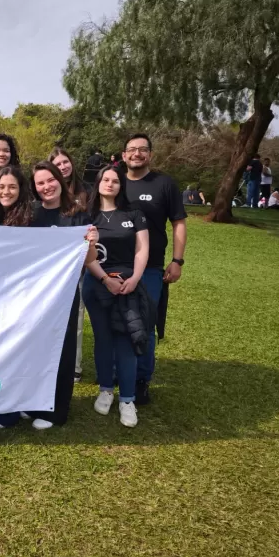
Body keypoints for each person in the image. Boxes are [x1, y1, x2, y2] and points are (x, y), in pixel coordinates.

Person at [0, 163, 97, 430]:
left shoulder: (77, 216)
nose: (46, 187)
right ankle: (27, 402)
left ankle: (54, 411)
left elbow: (88, 259)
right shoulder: (30, 214)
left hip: (63, 294)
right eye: (40, 183)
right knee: (29, 348)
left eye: (50, 180)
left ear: (60, 181)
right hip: (30, 295)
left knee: (61, 350)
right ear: (33, 188)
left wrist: (91, 242)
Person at [123, 133, 187, 405]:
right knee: (118, 324)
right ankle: (120, 372)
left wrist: (177, 260)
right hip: (114, 265)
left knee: (145, 324)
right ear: (124, 155)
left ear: (150, 154)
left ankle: (141, 380)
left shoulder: (164, 184)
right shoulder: (113, 180)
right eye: (132, 149)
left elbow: (179, 223)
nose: (137, 154)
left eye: (142, 150)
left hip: (150, 266)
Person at [83, 166, 150, 428]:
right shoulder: (87, 216)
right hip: (97, 283)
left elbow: (142, 249)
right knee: (103, 338)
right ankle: (105, 389)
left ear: (121, 186)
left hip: (127, 286)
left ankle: (127, 399)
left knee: (126, 341)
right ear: (98, 183)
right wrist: (104, 279)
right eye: (105, 180)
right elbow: (85, 256)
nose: (109, 184)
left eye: (115, 181)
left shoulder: (134, 214)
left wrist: (134, 279)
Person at [48, 148, 90, 382]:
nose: (63, 166)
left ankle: (74, 366)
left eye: (66, 162)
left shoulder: (85, 193)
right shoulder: (40, 204)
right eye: (58, 164)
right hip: (50, 272)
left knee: (76, 317)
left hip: (76, 267)